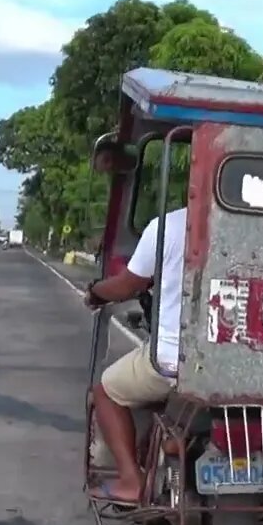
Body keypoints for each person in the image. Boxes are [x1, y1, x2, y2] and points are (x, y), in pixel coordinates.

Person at [84, 206, 188, 503]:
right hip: (255, 365)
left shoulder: (169, 226)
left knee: (105, 390)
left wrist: (95, 292)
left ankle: (132, 481)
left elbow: (128, 285)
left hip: (174, 360)